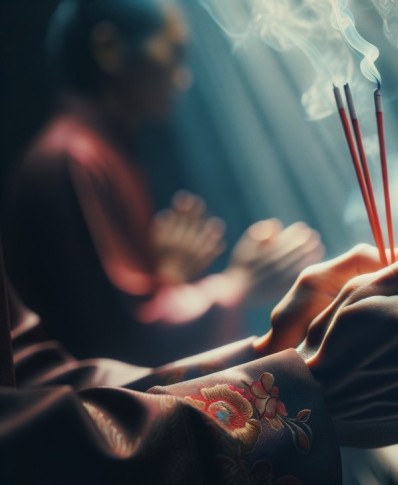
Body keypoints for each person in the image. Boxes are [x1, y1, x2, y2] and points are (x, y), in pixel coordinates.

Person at [0, 243, 398, 484]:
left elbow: (41, 385)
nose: (179, 75)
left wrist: (270, 355)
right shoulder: (74, 153)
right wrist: (300, 393)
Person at [2, 0, 324, 366]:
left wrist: (164, 280)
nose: (182, 77)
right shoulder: (73, 158)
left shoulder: (98, 151)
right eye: (174, 52)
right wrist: (237, 284)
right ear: (108, 48)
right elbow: (125, 341)